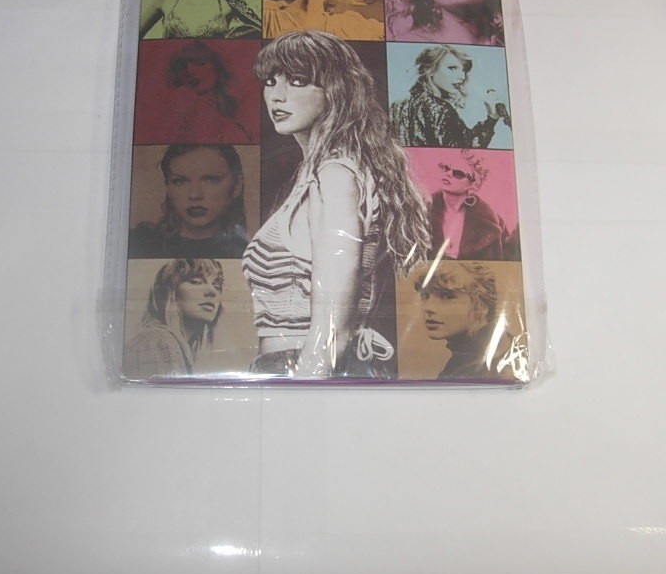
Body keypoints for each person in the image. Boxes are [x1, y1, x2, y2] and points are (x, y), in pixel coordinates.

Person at [242, 31, 431, 377]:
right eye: (270, 82)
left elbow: (333, 334)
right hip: (298, 367)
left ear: (336, 90)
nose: (277, 96)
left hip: (308, 369)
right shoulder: (317, 174)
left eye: (298, 81)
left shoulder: (335, 176)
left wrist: (306, 385)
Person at [411, 259, 528, 381]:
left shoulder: (496, 370)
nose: (429, 308)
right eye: (425, 296)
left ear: (482, 304)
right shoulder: (467, 359)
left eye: (446, 296)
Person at [129, 144, 249, 258]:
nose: (194, 195)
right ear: (168, 187)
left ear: (237, 186)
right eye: (180, 181)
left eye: (211, 180)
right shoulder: (138, 242)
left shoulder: (249, 251)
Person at [389, 45, 509, 148]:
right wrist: (491, 119)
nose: (462, 77)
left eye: (463, 70)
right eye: (452, 68)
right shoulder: (441, 110)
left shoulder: (397, 106)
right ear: (430, 69)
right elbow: (467, 152)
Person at [124, 259, 225, 379]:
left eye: (217, 286)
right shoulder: (158, 341)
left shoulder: (172, 345)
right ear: (169, 292)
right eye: (196, 282)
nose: (212, 291)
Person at [427, 150, 518, 261]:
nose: (448, 174)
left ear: (473, 184)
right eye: (446, 168)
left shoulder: (491, 222)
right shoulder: (420, 212)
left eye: (458, 173)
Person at [162, 41, 254, 143]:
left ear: (216, 66)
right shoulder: (179, 121)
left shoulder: (236, 123)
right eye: (183, 66)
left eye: (199, 62)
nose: (190, 71)